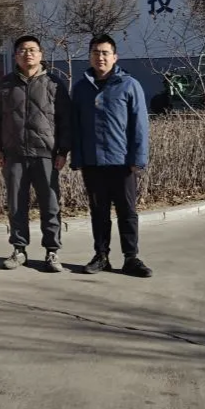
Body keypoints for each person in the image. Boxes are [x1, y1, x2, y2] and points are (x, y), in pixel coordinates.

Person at [0, 35, 72, 273]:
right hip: (14, 154)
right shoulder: (5, 85)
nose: (28, 54)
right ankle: (19, 249)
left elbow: (66, 120)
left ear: (41, 54)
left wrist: (63, 150)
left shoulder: (54, 84)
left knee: (50, 204)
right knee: (16, 204)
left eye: (32, 50)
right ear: (16, 56)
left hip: (46, 154)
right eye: (22, 50)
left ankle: (52, 251)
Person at [71, 34, 153, 278]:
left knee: (127, 211)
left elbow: (140, 125)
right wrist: (78, 158)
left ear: (115, 57)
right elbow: (76, 126)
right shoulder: (81, 88)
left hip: (122, 162)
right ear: (90, 56)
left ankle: (131, 258)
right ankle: (101, 256)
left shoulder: (129, 85)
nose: (100, 57)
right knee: (99, 212)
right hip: (93, 162)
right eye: (96, 52)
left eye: (105, 53)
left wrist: (138, 158)